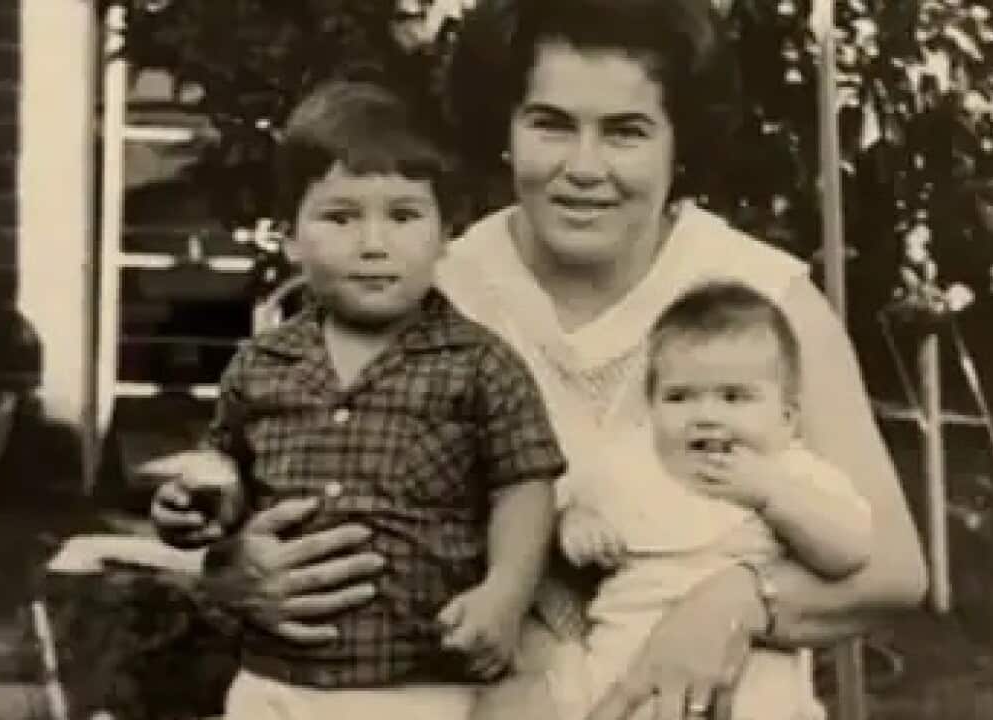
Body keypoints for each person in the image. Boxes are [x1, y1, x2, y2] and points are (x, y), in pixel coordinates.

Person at [152, 1, 928, 718]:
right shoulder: (436, 289)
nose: (584, 167)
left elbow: (893, 570)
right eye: (551, 124)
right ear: (505, 127)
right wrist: (234, 568)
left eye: (626, 131)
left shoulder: (760, 299)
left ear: (679, 142)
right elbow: (280, 459)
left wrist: (735, 602)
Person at [151, 79, 567, 720]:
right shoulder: (261, 365)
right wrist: (199, 506)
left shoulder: (479, 363)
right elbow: (230, 468)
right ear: (288, 237)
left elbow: (526, 481)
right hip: (275, 681)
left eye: (403, 216)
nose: (374, 244)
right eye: (341, 217)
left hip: (422, 683)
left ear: (444, 234)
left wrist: (504, 596)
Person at [477, 280, 874, 720]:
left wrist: (771, 496)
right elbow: (565, 520)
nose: (706, 415)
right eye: (679, 397)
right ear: (651, 409)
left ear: (786, 419)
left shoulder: (790, 472)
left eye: (733, 397)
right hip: (618, 660)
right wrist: (578, 526)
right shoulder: (631, 465)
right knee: (525, 701)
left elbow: (850, 550)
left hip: (742, 666)